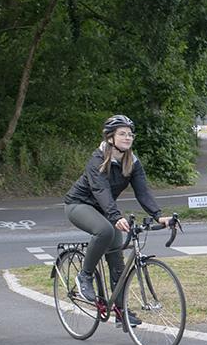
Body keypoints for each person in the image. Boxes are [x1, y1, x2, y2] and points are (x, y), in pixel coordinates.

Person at [65, 114, 173, 327]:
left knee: (117, 261)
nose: (128, 137)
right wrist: (115, 217)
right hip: (80, 204)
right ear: (110, 138)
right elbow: (101, 191)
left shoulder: (131, 161)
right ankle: (85, 276)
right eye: (122, 134)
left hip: (105, 209)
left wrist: (159, 215)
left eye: (130, 134)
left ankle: (121, 311)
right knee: (104, 230)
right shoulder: (98, 159)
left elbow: (143, 191)